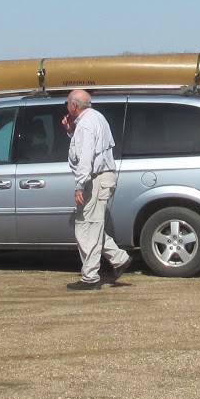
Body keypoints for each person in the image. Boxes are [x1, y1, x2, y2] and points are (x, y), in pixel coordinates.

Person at [62, 89, 131, 288]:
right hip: (101, 177)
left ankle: (90, 277)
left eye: (67, 103)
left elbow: (86, 156)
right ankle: (119, 258)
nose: (66, 107)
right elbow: (87, 147)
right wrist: (71, 131)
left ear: (74, 105)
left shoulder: (85, 124)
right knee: (91, 225)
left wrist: (79, 184)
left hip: (96, 178)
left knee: (87, 227)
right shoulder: (95, 117)